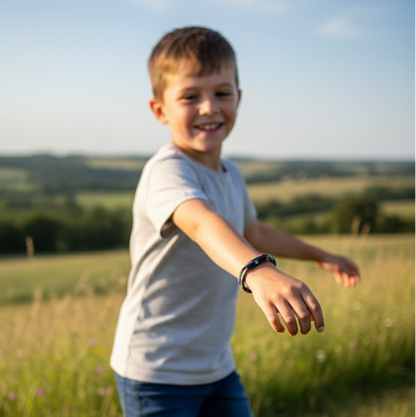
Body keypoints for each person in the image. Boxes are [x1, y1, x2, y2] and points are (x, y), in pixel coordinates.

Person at [110, 26, 360, 417]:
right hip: (156, 374)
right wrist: (257, 270)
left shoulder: (232, 173)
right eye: (190, 96)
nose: (209, 107)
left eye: (221, 93)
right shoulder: (167, 171)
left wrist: (319, 255)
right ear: (160, 109)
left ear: (238, 99)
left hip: (216, 368)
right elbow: (201, 222)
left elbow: (253, 232)